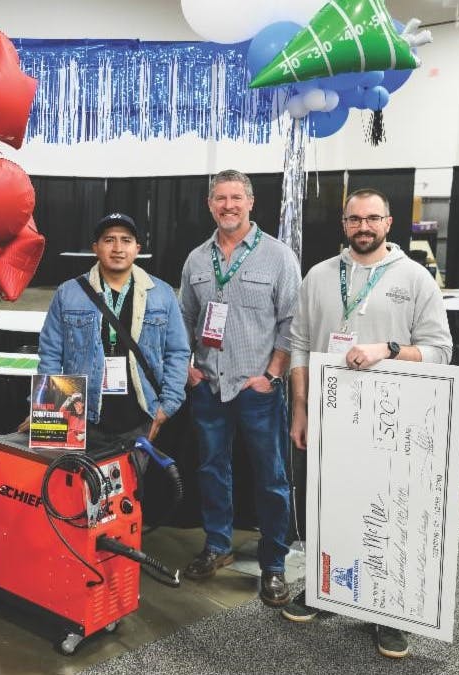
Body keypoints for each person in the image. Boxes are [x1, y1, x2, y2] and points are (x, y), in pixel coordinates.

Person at [284, 188, 454, 659]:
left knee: (384, 513)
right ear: (344, 224)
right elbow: (299, 345)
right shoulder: (319, 275)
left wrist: (389, 350)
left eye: (372, 218)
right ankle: (327, 589)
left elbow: (441, 351)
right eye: (355, 219)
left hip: (389, 421)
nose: (363, 227)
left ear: (388, 223)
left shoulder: (414, 278)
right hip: (329, 415)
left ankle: (388, 611)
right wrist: (300, 408)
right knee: (329, 507)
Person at [178, 170, 299, 606]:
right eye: (220, 198)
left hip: (256, 388)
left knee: (271, 478)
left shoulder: (279, 256)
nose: (228, 205)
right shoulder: (196, 260)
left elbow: (292, 323)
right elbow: (184, 319)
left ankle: (274, 565)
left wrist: (272, 375)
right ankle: (217, 546)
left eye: (235, 198)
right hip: (209, 386)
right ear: (210, 205)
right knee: (212, 470)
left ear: (250, 203)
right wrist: (189, 369)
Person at [37, 212, 190, 453]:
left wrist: (167, 406)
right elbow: (50, 354)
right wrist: (48, 409)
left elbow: (178, 352)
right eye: (109, 240)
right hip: (81, 419)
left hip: (142, 416)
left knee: (131, 478)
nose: (118, 248)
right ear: (95, 248)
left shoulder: (162, 293)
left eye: (126, 240)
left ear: (137, 248)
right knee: (78, 478)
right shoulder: (68, 293)